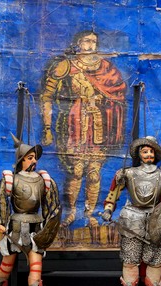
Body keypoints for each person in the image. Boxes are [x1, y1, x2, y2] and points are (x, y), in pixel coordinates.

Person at [40, 29, 127, 228]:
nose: (90, 45)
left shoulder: (105, 68)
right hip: (73, 126)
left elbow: (118, 93)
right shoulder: (66, 66)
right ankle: (71, 212)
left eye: (93, 41)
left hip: (98, 127)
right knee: (76, 171)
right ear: (78, 43)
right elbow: (47, 96)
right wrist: (47, 128)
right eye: (86, 41)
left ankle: (90, 214)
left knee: (94, 174)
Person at [102, 137, 161, 286]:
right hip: (131, 220)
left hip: (157, 222)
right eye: (145, 151)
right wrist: (108, 210)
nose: (148, 154)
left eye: (151, 151)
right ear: (138, 154)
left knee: (155, 261)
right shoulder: (127, 173)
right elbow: (113, 195)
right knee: (130, 260)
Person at [0, 136, 61, 286]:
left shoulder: (43, 181)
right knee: (6, 266)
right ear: (21, 159)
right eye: (30, 157)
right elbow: (1, 201)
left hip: (36, 229)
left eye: (35, 158)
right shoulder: (11, 180)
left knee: (36, 266)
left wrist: (49, 223)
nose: (34, 161)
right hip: (15, 229)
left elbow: (50, 206)